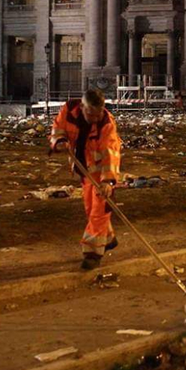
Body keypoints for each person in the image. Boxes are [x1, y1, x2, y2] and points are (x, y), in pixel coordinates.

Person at [50, 88, 121, 270]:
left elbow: (110, 152)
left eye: (98, 115)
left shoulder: (106, 123)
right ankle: (108, 239)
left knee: (99, 210)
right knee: (91, 209)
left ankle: (92, 253)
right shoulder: (69, 111)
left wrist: (108, 181)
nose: (94, 119)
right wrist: (59, 141)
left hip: (100, 172)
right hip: (84, 168)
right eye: (91, 114)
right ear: (82, 107)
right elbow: (58, 128)